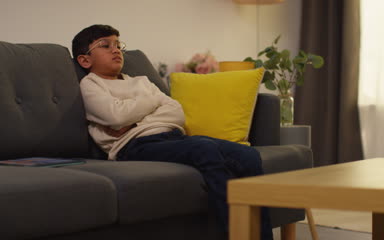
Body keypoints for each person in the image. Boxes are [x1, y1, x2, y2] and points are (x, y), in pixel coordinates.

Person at [72, 24, 273, 240]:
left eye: (118, 44)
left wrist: (135, 118)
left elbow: (175, 111)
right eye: (106, 45)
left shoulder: (141, 82)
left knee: (249, 155)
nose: (116, 50)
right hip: (133, 146)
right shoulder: (91, 85)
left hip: (172, 137)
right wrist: (150, 105)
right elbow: (116, 116)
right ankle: (236, 234)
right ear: (85, 60)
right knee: (204, 149)